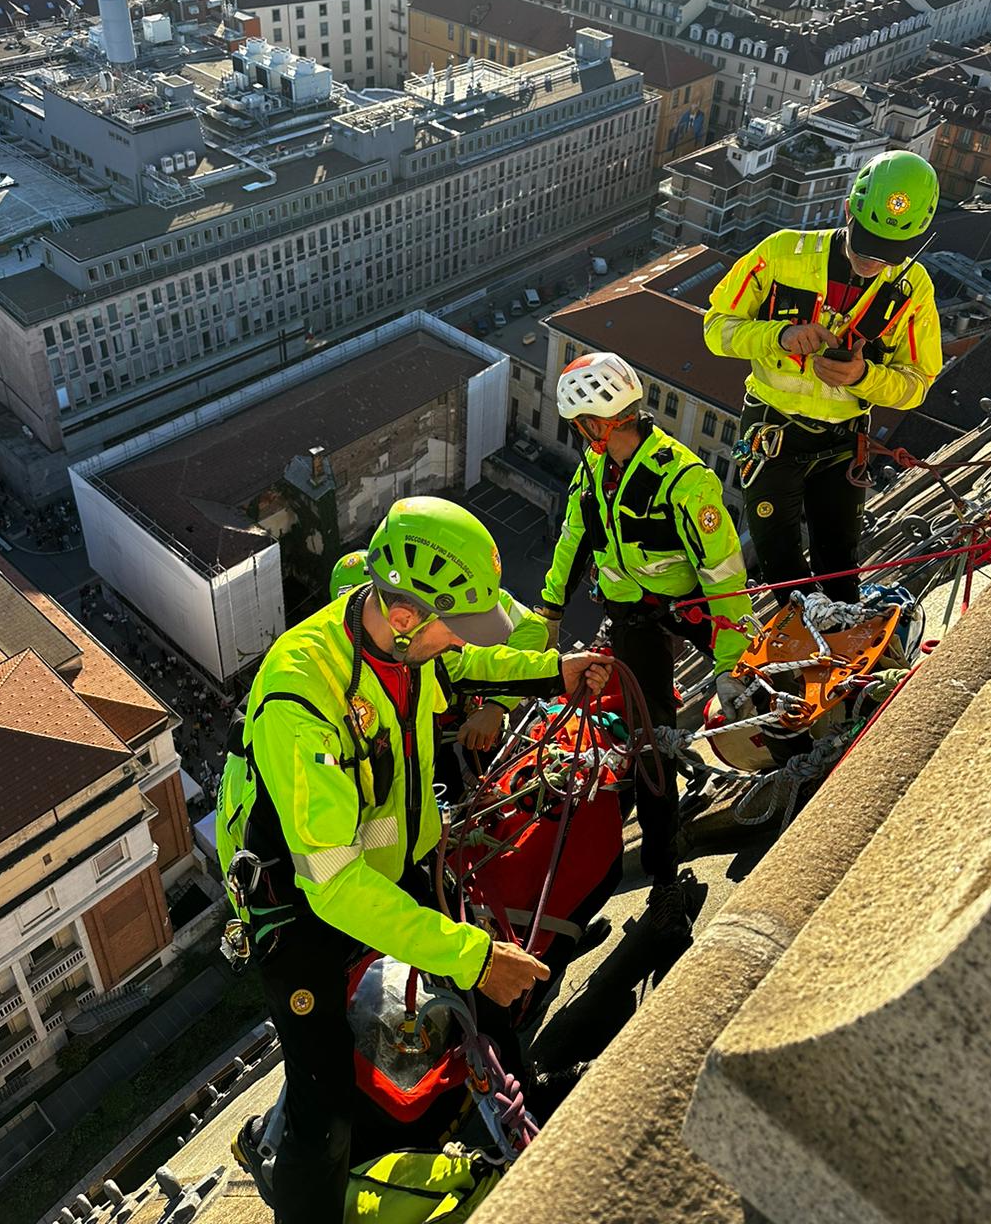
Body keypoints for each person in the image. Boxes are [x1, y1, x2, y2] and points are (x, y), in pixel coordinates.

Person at [218, 497, 609, 1224]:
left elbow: (467, 665)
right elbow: (333, 885)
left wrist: (559, 671)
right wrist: (471, 955)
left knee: (483, 1000)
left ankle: (521, 1121)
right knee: (323, 1108)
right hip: (298, 910)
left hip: (379, 870)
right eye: (448, 626)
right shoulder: (300, 697)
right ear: (404, 620)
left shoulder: (397, 646)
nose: (453, 641)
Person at [537, 352, 750, 937]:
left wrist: (731, 664)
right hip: (633, 617)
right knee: (650, 743)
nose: (581, 436)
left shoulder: (684, 482)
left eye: (582, 426)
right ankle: (663, 872)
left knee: (753, 685)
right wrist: (549, 613)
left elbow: (726, 577)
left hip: (690, 607)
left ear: (597, 424)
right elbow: (573, 539)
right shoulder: (595, 473)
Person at [703, 149, 943, 605]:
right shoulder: (780, 254)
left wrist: (864, 376)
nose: (874, 261)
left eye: (890, 254)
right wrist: (780, 336)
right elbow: (716, 328)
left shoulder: (912, 289)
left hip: (842, 442)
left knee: (840, 568)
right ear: (848, 210)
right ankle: (799, 648)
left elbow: (918, 382)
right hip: (772, 433)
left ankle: (844, 658)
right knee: (782, 567)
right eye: (866, 242)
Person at [330, 547, 549, 758]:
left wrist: (495, 706)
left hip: (475, 716)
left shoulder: (456, 604)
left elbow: (531, 630)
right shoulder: (349, 673)